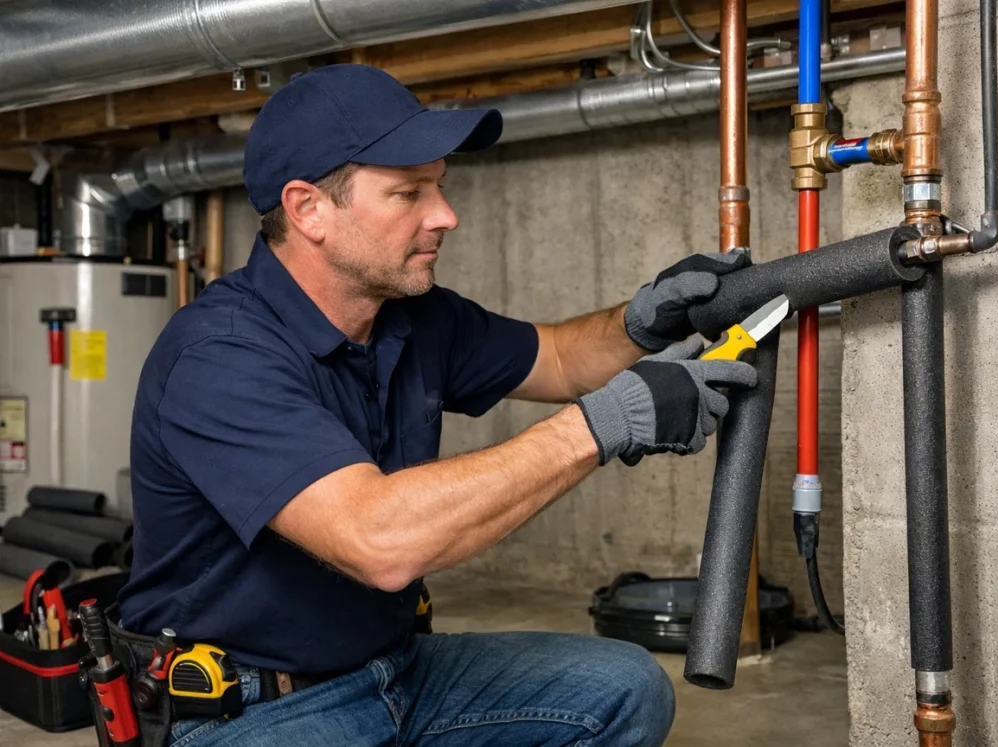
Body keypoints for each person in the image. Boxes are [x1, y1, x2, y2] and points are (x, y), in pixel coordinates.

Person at [118, 64, 756, 747]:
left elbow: (562, 357)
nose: (445, 215)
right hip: (252, 709)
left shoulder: (412, 317)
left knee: (626, 690)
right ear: (308, 209)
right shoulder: (219, 356)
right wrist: (603, 425)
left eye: (440, 187)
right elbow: (378, 541)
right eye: (407, 192)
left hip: (396, 674)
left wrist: (643, 321)